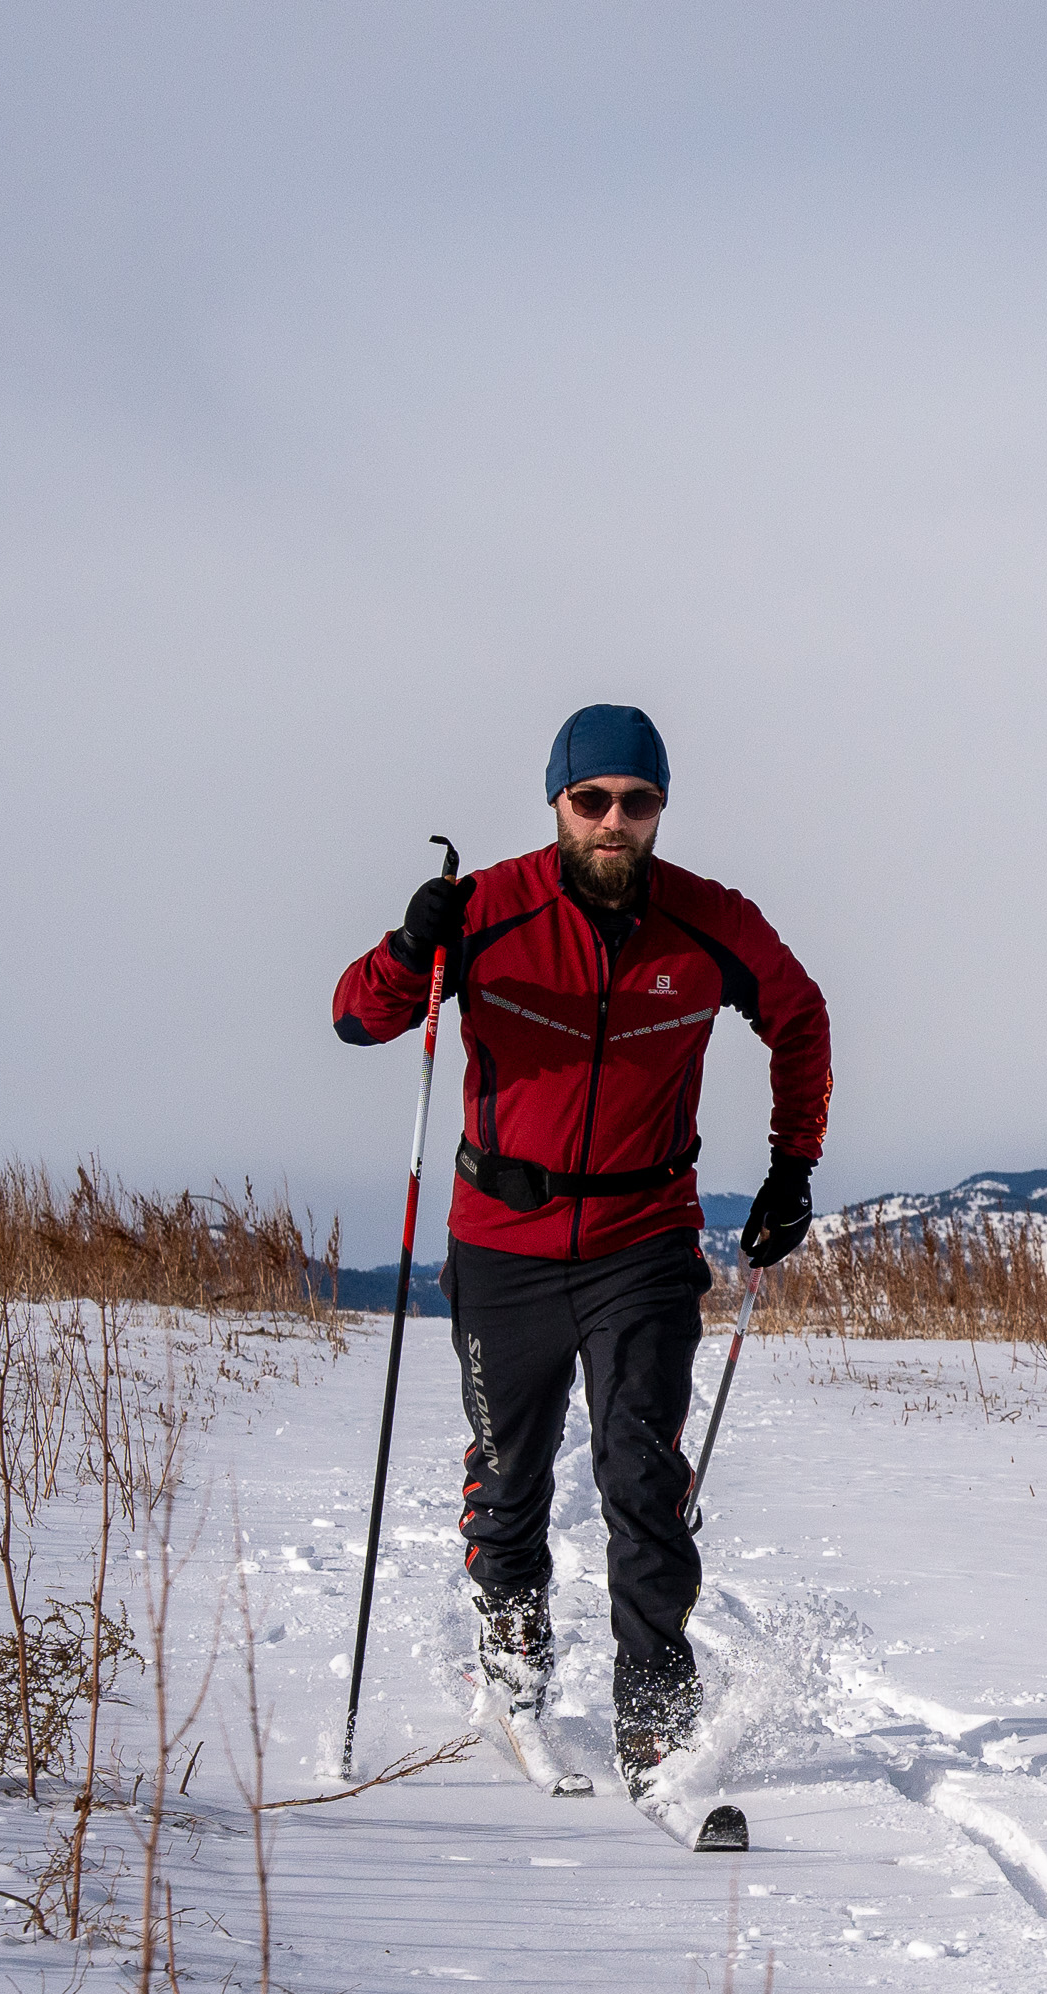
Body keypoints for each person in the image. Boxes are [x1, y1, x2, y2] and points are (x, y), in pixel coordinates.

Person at [331, 705, 832, 1792]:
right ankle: (513, 1647)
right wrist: (406, 950)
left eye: (637, 802)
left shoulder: (712, 924)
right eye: (591, 800)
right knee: (509, 1477)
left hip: (641, 1240)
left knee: (638, 1477)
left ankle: (654, 1714)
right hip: (501, 1242)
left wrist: (794, 1163)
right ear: (556, 801)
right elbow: (356, 1018)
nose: (614, 822)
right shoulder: (485, 911)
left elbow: (800, 1018)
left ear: (661, 809)